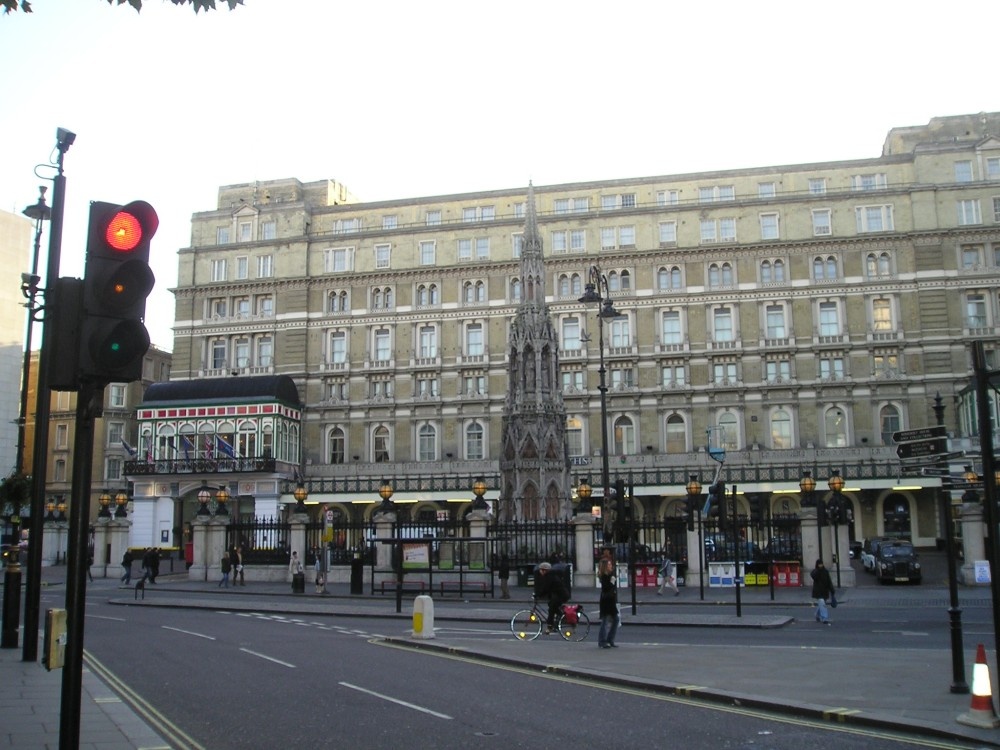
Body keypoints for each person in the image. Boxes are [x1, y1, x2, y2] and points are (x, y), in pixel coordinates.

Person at [533, 561, 569, 634]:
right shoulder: (549, 576)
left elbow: (546, 588)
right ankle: (559, 618)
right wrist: (539, 594)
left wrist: (538, 595)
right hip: (558, 595)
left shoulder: (550, 577)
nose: (540, 571)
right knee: (551, 606)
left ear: (545, 570)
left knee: (551, 609)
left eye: (541, 570)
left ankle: (550, 627)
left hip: (561, 595)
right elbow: (547, 589)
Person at [597, 547, 619, 648]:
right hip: (606, 601)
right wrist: (612, 582)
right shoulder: (605, 577)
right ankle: (603, 641)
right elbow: (606, 588)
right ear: (605, 567)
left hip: (611, 600)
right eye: (609, 565)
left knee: (616, 619)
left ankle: (610, 639)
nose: (611, 566)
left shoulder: (610, 575)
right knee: (606, 621)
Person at [810, 559, 834, 625]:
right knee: (823, 604)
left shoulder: (825, 571)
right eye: (819, 564)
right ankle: (824, 618)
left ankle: (817, 615)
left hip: (825, 590)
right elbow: (813, 576)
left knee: (821, 605)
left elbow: (829, 581)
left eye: (821, 564)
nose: (820, 565)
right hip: (818, 591)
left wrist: (832, 589)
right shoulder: (815, 571)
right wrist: (818, 570)